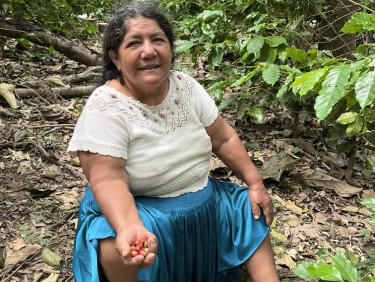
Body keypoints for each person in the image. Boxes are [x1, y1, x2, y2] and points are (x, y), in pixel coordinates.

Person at [68, 2, 279, 282]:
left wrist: (255, 183)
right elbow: (107, 178)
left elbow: (223, 136)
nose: (149, 51)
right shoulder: (106, 105)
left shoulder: (185, 86)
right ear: (116, 59)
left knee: (248, 210)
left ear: (170, 48)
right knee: (111, 245)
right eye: (134, 43)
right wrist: (129, 225)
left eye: (158, 40)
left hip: (204, 198)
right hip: (142, 207)